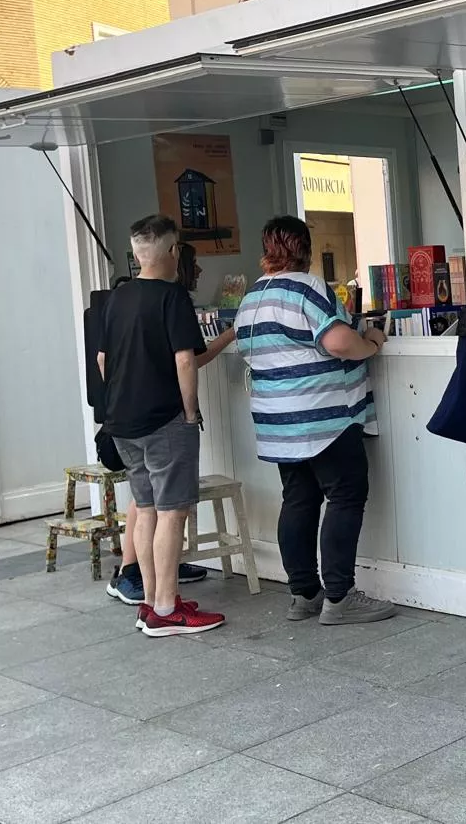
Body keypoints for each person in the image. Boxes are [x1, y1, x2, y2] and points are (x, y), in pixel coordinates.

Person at [234, 216, 396, 627]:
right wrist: (372, 343)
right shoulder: (307, 287)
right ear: (304, 248)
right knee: (345, 496)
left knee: (299, 500)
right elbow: (339, 342)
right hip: (323, 418)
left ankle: (304, 594)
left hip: (278, 425)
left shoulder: (253, 295)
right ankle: (340, 597)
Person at [98, 215, 225, 637]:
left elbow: (103, 361)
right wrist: (189, 413)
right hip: (163, 420)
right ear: (172, 252)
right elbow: (185, 359)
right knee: (173, 513)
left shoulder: (116, 298)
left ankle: (152, 602)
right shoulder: (172, 298)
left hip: (122, 422)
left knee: (148, 510)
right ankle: (168, 609)